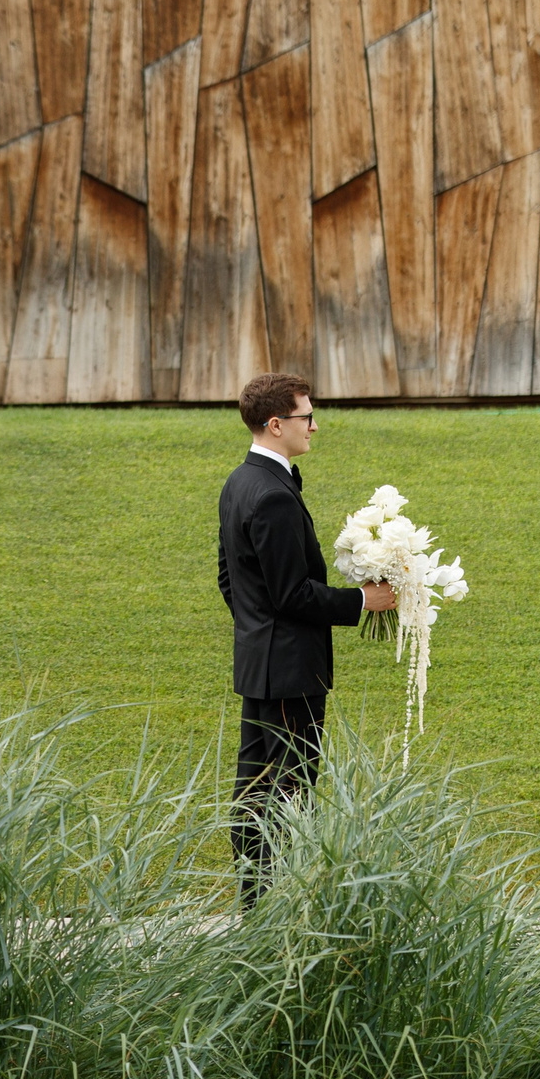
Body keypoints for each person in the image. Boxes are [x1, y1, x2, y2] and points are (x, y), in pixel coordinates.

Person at [216, 372, 394, 906]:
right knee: (288, 795)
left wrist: (256, 632)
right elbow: (293, 594)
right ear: (275, 425)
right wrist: (364, 601)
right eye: (306, 417)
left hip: (259, 665)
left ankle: (255, 906)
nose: (314, 426)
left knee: (255, 792)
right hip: (291, 673)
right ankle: (277, 909)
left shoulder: (239, 482)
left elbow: (230, 577)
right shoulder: (271, 494)